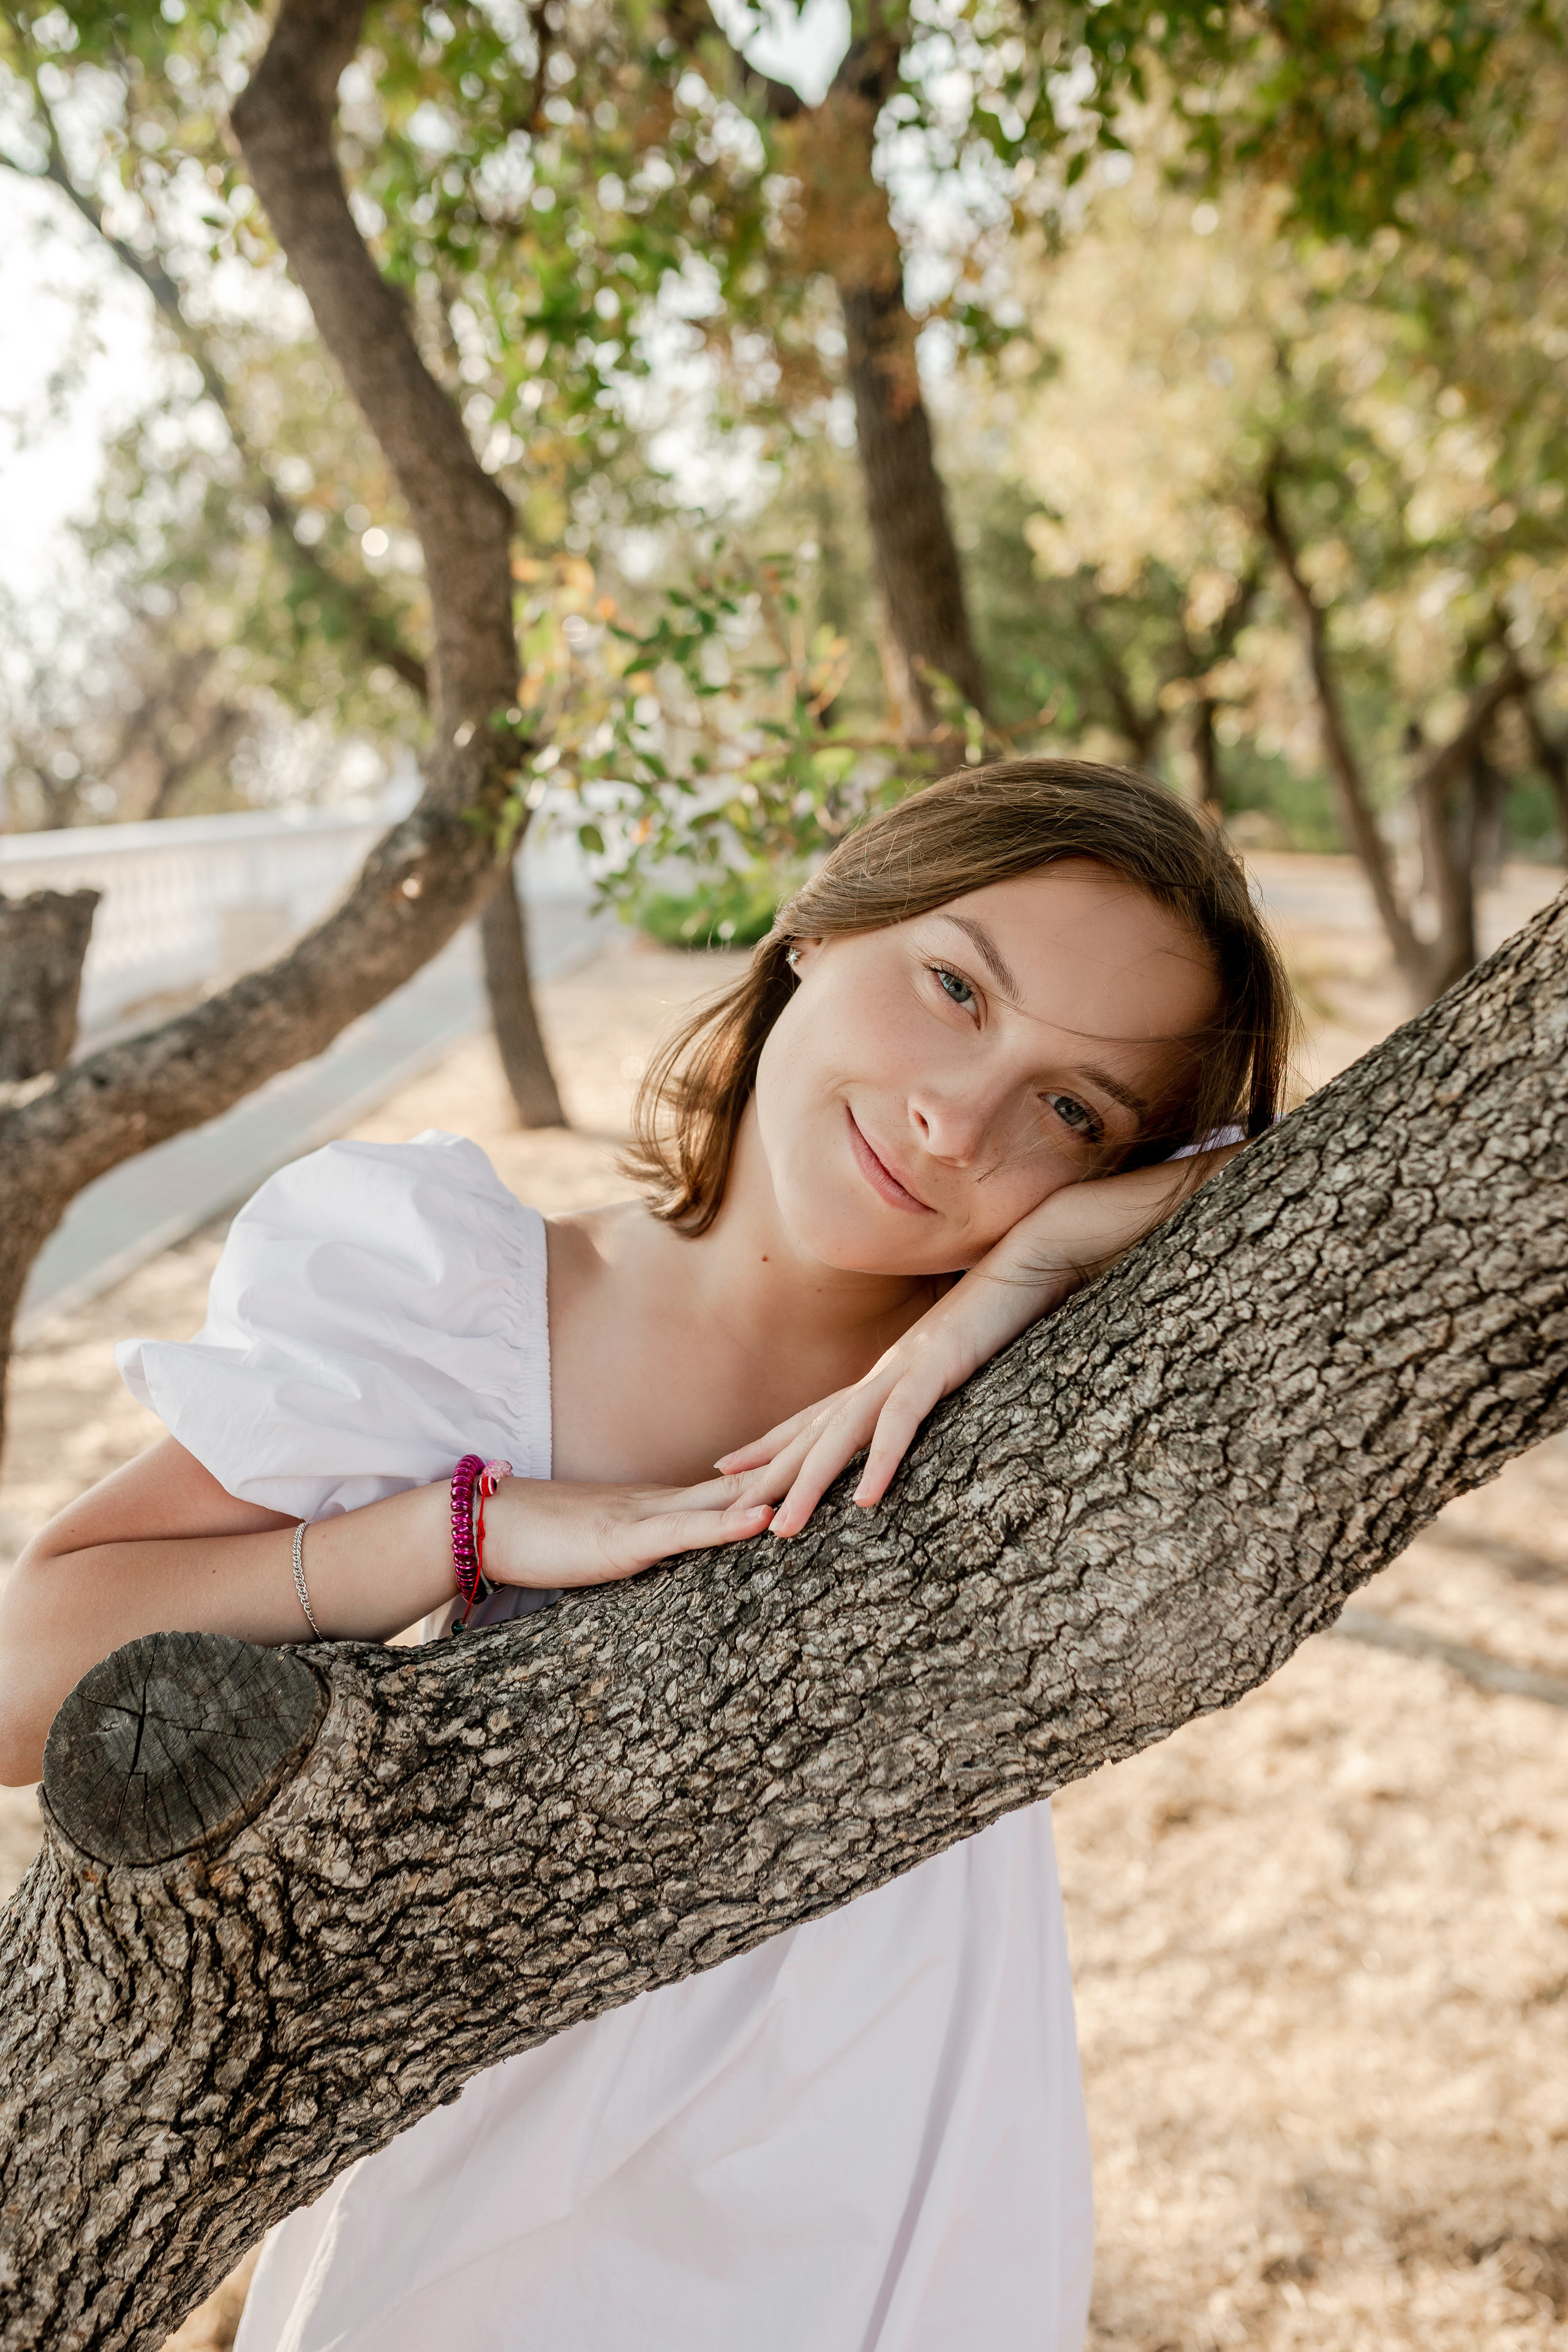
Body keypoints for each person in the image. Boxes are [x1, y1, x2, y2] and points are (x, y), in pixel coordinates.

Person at [0, 758, 1294, 2351]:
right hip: (500, 2244)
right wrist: (462, 1526)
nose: (958, 1122)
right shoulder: (469, 1308)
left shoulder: (1048, 1397)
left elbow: (1389, 1177)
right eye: (956, 987)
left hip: (893, 2215)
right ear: (823, 925)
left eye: (1072, 1109)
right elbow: (23, 1681)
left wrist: (1022, 1276)